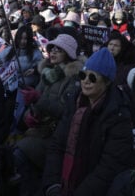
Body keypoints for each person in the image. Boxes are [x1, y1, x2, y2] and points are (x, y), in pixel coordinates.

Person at [42, 47, 134, 196]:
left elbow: (109, 166)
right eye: (82, 75)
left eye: (92, 78)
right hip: (62, 184)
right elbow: (57, 144)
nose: (86, 81)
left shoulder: (119, 115)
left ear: (107, 82)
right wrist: (52, 184)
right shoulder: (74, 102)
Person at [13, 34, 84, 193]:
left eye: (59, 50)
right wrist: (29, 117)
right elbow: (36, 105)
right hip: (39, 131)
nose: (53, 52)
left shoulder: (74, 79)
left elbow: (66, 112)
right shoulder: (47, 73)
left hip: (55, 137)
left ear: (68, 53)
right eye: (52, 49)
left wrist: (38, 99)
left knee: (18, 156)